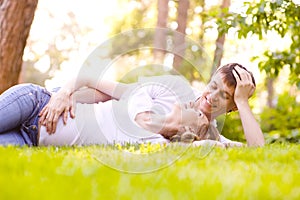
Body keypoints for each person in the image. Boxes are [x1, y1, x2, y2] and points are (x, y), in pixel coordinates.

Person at [0, 63, 265, 147]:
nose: (213, 96)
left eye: (226, 97)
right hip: (36, 104)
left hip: (31, 140)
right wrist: (62, 93)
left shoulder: (208, 138)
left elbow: (257, 152)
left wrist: (243, 101)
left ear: (232, 107)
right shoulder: (169, 89)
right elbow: (93, 81)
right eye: (213, 86)